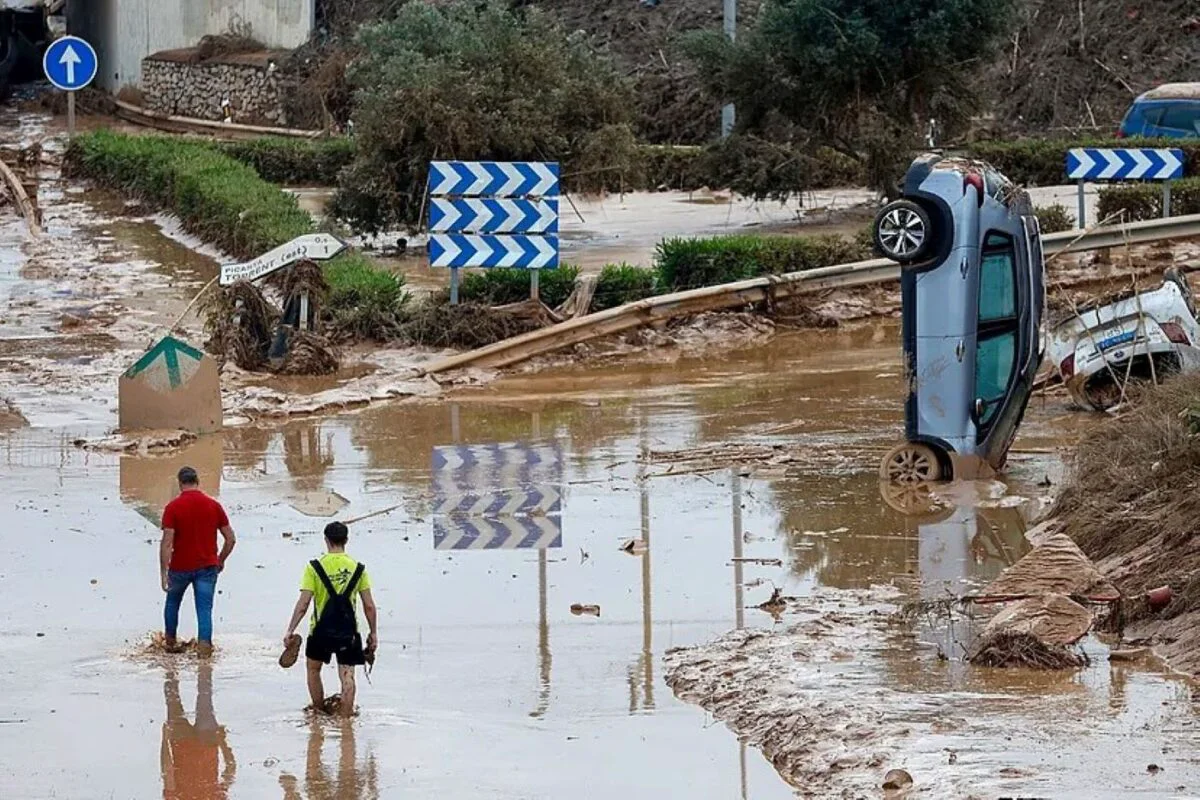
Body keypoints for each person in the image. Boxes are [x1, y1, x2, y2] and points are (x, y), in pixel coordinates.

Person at [283, 521, 378, 717]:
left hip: (319, 632)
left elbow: (303, 604)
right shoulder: (358, 569)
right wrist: (373, 632)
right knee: (348, 675)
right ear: (346, 540)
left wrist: (290, 630)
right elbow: (369, 606)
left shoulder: (314, 568)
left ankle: (318, 712)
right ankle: (346, 719)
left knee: (313, 670)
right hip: (348, 633)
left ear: (326, 540)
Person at [161, 466, 236, 657]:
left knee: (172, 602)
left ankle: (170, 642)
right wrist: (220, 560)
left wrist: (163, 572)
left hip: (179, 567)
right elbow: (230, 539)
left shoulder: (172, 508)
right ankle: (204, 647)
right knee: (204, 608)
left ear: (180, 484)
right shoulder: (213, 506)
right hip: (207, 566)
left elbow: (167, 543)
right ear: (197, 482)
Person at [161, 662, 236, 800]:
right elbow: (167, 772)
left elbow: (230, 770)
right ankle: (170, 662)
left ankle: (200, 659)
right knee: (172, 696)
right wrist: (165, 740)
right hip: (184, 742)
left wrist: (223, 742)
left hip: (206, 743)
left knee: (204, 691)